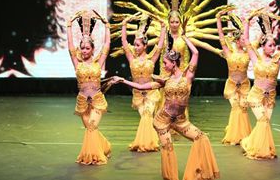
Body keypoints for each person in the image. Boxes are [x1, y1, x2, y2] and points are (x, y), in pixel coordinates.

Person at [110, 31, 219, 180]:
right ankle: (170, 177)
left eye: (166, 63)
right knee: (168, 148)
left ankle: (198, 174)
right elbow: (142, 87)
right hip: (162, 120)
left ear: (174, 63)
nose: (164, 65)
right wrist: (123, 81)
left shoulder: (188, 77)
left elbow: (196, 53)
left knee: (201, 138)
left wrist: (185, 37)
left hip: (180, 121)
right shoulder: (164, 80)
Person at [241, 9, 280, 159]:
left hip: (270, 97)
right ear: (263, 46)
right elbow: (246, 41)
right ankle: (258, 150)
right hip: (256, 96)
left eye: (274, 45)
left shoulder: (277, 59)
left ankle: (250, 143)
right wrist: (247, 21)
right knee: (262, 120)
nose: (274, 48)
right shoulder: (256, 58)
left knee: (265, 123)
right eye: (270, 45)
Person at [67, 10, 111, 165]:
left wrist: (106, 26)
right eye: (82, 48)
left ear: (92, 49)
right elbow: (70, 47)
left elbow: (107, 45)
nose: (84, 51)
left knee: (92, 126)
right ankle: (104, 146)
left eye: (87, 48)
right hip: (82, 102)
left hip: (97, 100)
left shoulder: (98, 62)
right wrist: (69, 25)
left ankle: (94, 156)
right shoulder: (77, 63)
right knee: (90, 129)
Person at [121, 13, 166, 152]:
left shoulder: (151, 58)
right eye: (134, 45)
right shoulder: (131, 58)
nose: (135, 47)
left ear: (145, 46)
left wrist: (163, 26)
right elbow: (124, 43)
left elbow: (159, 45)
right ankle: (150, 141)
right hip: (138, 95)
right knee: (145, 118)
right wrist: (124, 24)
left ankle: (146, 143)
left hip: (151, 93)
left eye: (138, 45)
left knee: (147, 115)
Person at [216, 9, 252, 145]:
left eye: (245, 39)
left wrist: (248, 22)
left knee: (243, 107)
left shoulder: (248, 53)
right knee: (235, 107)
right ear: (237, 41)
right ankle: (235, 135)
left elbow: (249, 38)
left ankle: (243, 135)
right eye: (243, 39)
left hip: (244, 85)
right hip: (231, 85)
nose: (245, 41)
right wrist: (218, 19)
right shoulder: (229, 52)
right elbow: (221, 37)